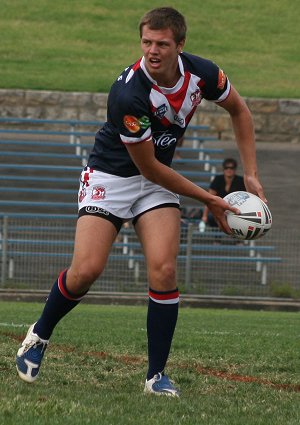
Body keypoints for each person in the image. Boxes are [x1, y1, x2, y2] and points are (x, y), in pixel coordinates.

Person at [16, 7, 265, 397]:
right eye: (146, 42)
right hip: (112, 177)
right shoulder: (129, 93)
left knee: (164, 270)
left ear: (180, 45)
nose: (152, 51)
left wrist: (250, 175)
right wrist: (210, 199)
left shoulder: (203, 73)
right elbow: (148, 169)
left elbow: (240, 110)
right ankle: (39, 335)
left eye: (162, 44)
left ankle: (155, 376)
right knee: (87, 270)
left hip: (155, 180)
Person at [200, 158, 246, 230]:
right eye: (226, 168)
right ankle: (216, 240)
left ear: (235, 169)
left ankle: (236, 241)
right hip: (219, 210)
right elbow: (210, 198)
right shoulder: (218, 179)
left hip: (234, 211)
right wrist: (204, 216)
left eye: (231, 168)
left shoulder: (240, 181)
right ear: (223, 169)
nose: (229, 170)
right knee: (212, 217)